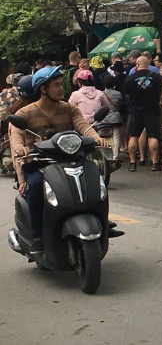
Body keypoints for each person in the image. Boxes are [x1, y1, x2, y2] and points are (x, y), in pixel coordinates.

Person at [10, 66, 106, 253]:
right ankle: (38, 235)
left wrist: (96, 137)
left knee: (94, 177)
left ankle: (102, 219)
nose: (61, 89)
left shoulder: (69, 109)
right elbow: (16, 135)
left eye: (61, 84)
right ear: (43, 89)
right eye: (56, 85)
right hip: (39, 164)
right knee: (37, 185)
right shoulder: (26, 113)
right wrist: (19, 147)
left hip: (68, 160)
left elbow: (84, 127)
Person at [124, 55, 162, 172]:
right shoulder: (157, 78)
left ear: (137, 65)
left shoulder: (130, 79)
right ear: (149, 65)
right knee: (153, 136)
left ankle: (132, 163)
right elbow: (161, 93)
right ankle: (155, 162)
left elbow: (126, 94)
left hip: (135, 110)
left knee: (133, 136)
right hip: (152, 109)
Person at [102, 75, 125, 158]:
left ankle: (107, 155)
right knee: (116, 136)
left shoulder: (101, 93)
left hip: (104, 118)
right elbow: (121, 104)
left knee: (106, 137)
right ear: (114, 84)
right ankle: (115, 156)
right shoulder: (118, 94)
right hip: (116, 117)